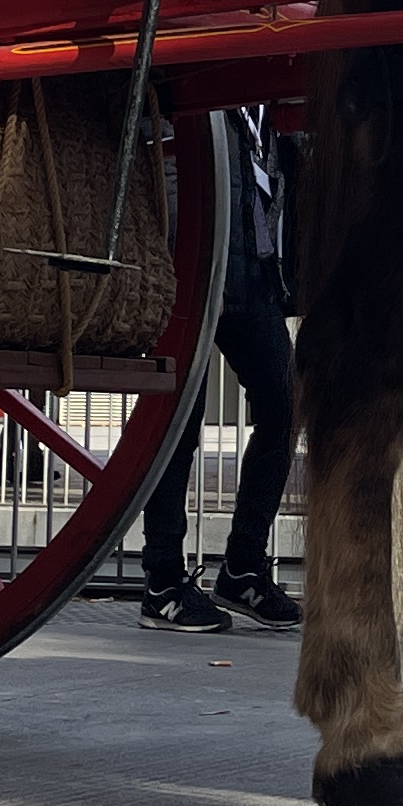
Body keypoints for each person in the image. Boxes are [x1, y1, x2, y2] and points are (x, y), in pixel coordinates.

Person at [133, 106, 300, 633]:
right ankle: (162, 580)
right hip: (189, 268)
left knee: (287, 405)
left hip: (253, 268)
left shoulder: (265, 107)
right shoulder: (191, 84)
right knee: (180, 422)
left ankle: (243, 566)